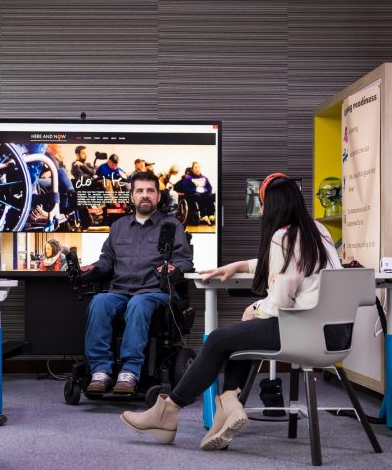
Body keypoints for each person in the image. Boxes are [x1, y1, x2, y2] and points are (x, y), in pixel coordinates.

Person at [120, 173, 341, 450]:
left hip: (302, 333)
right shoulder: (318, 231)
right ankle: (228, 404)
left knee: (219, 339)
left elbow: (280, 303)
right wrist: (240, 265)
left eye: (262, 205)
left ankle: (169, 411)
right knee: (238, 336)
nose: (261, 211)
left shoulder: (281, 238)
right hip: (333, 335)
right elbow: (293, 260)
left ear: (271, 206)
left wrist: (255, 308)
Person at [81, 171, 193, 394]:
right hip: (121, 290)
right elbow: (107, 261)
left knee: (139, 303)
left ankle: (129, 372)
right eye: (140, 191)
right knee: (99, 302)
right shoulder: (118, 226)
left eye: (150, 191)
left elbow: (184, 260)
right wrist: (91, 269)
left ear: (158, 196)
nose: (145, 195)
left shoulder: (171, 226)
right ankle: (100, 371)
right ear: (131, 196)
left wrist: (174, 268)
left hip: (156, 291)